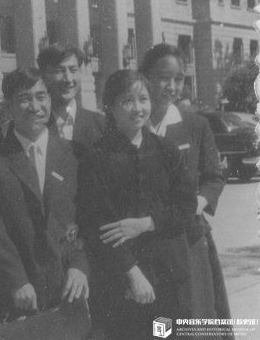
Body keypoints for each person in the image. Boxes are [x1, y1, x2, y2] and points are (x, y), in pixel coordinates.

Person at [76, 69, 196, 340]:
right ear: (110, 106)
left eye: (143, 99)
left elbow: (186, 206)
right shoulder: (97, 158)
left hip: (169, 274)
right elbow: (97, 225)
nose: (137, 108)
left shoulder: (166, 150)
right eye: (127, 101)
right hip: (122, 280)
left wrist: (147, 223)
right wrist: (132, 273)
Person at [0, 67, 90, 327]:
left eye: (41, 97)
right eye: (24, 99)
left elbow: (86, 218)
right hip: (18, 294)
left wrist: (79, 265)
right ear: (8, 107)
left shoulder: (75, 155)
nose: (35, 106)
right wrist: (16, 280)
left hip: (68, 288)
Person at [140, 44, 230, 331]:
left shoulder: (195, 125)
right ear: (145, 77)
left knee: (195, 317)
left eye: (178, 79)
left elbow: (214, 177)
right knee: (158, 322)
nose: (172, 86)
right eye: (163, 78)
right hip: (148, 241)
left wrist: (197, 204)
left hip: (189, 237)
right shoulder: (135, 125)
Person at [37, 44, 105, 150]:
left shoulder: (101, 124)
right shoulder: (35, 125)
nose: (68, 79)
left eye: (73, 70)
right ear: (45, 77)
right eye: (59, 71)